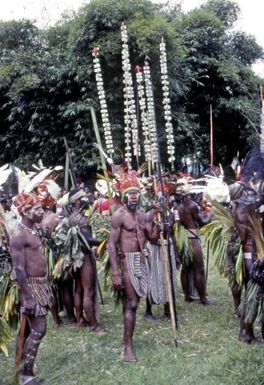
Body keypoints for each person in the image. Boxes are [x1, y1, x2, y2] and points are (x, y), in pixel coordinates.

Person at [108, 171, 161, 362]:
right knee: (131, 303)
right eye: (130, 195)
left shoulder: (141, 215)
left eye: (136, 195)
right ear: (124, 197)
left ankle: (127, 337)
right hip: (126, 261)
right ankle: (128, 346)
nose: (133, 198)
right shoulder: (119, 216)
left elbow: (153, 237)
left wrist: (158, 222)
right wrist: (116, 273)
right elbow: (111, 245)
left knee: (135, 302)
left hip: (141, 259)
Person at [11, 193, 54, 385]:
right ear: (26, 212)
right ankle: (25, 373)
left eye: (40, 208)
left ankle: (21, 365)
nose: (41, 211)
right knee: (39, 329)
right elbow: (19, 269)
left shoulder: (34, 229)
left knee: (30, 330)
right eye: (36, 209)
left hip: (41, 284)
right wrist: (27, 297)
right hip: (31, 286)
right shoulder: (19, 236)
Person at [55, 188, 106, 333]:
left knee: (78, 288)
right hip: (84, 258)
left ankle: (80, 319)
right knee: (88, 291)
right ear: (77, 201)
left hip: (75, 258)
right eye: (84, 197)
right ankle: (94, 325)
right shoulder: (81, 218)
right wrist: (104, 240)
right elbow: (88, 240)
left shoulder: (71, 216)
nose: (88, 199)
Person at [176, 192, 211, 305]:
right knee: (199, 268)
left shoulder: (176, 206)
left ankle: (187, 297)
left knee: (185, 268)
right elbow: (202, 222)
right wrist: (211, 214)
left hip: (182, 239)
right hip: (192, 237)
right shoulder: (192, 205)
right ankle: (203, 299)